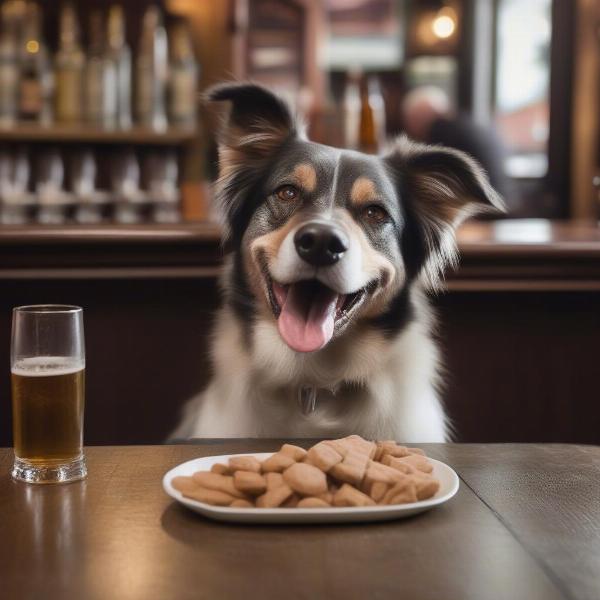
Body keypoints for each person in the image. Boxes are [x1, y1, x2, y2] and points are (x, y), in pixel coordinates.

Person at [401, 86, 511, 201]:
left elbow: (429, 183)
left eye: (410, 119)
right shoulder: (465, 123)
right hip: (503, 202)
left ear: (419, 116)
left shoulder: (441, 131)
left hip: (481, 211)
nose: (409, 128)